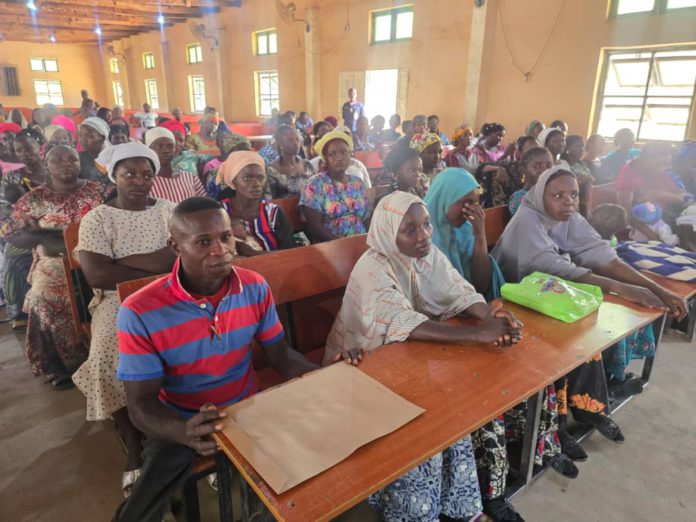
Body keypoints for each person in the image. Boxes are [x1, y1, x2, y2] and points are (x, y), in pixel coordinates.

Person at [111, 196, 317, 521]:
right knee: (139, 510)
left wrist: (328, 377)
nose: (220, 251)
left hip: (247, 407)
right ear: (176, 246)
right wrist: (185, 431)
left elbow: (280, 356)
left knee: (295, 492)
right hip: (181, 417)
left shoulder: (253, 286)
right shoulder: (139, 311)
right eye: (203, 242)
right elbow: (141, 405)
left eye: (225, 237)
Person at [324, 191, 523, 522]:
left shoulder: (425, 253)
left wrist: (488, 317)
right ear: (388, 232)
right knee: (427, 429)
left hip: (409, 359)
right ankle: (415, 512)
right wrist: (479, 334)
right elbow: (404, 322)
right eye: (410, 230)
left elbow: (458, 290)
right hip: (360, 368)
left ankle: (464, 505)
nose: (424, 235)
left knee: (460, 409)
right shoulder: (372, 267)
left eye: (427, 225)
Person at [493, 166, 687, 425]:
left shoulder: (568, 217)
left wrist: (658, 289)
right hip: (516, 301)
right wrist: (623, 288)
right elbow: (551, 268)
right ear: (541, 195)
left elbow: (602, 255)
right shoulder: (527, 220)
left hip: (551, 295)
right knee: (577, 339)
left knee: (610, 317)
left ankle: (605, 388)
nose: (568, 201)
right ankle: (562, 420)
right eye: (558, 195)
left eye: (573, 195)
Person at [73, 142, 177, 497]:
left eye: (146, 174)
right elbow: (98, 275)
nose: (138, 181)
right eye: (129, 173)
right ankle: (134, 449)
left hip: (170, 293)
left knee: (195, 341)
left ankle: (179, 424)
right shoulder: (98, 218)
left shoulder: (167, 210)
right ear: (114, 176)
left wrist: (120, 262)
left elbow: (175, 260)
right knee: (105, 354)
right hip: (117, 303)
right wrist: (156, 262)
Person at [423, 169, 525, 521]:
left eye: (476, 202)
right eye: (464, 202)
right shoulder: (422, 236)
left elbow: (480, 285)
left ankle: (495, 479)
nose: (471, 209)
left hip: (468, 321)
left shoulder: (464, 231)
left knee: (507, 371)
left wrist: (480, 235)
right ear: (443, 199)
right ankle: (480, 491)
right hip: (438, 332)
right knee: (469, 397)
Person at [7, 145, 106, 388]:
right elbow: (14, 235)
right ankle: (53, 360)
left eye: (72, 159)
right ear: (46, 164)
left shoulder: (98, 191)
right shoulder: (33, 199)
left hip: (97, 257)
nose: (66, 164)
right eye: (58, 160)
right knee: (43, 297)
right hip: (54, 263)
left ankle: (105, 351)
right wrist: (41, 236)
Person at [0, 129, 48, 330]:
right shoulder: (11, 177)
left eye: (28, 149)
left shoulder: (53, 169)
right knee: (13, 255)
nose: (24, 154)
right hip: (25, 228)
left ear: (39, 148)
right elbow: (4, 208)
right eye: (19, 150)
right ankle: (21, 313)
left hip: (55, 225)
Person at [215, 151, 294, 255]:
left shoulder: (273, 213)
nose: (256, 184)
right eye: (247, 178)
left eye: (260, 178)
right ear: (233, 181)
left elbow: (289, 253)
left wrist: (252, 253)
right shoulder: (218, 213)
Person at [301, 130, 371, 242]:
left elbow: (367, 218)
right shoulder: (315, 184)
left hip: (362, 242)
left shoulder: (357, 183)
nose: (339, 158)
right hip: (331, 245)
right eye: (333, 154)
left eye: (344, 152)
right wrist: (341, 245)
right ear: (325, 159)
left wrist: (369, 241)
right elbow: (315, 227)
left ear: (350, 155)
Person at [616, 142, 688, 241]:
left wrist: (659, 194)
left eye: (667, 165)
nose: (664, 168)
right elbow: (625, 213)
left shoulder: (660, 171)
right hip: (642, 222)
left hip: (665, 215)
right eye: (660, 164)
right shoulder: (630, 174)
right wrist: (651, 235)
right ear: (646, 159)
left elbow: (680, 197)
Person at [145, 128, 206, 203]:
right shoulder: (145, 182)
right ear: (149, 149)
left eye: (170, 146)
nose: (165, 150)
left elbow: (204, 205)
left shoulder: (190, 178)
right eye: (159, 146)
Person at [267, 125, 315, 199]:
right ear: (280, 143)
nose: (296, 143)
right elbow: (269, 198)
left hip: (307, 205)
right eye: (290, 140)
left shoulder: (307, 165)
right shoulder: (272, 169)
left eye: (297, 139)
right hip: (282, 206)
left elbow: (315, 191)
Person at [203, 129, 252, 199]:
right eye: (240, 152)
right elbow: (213, 198)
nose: (245, 155)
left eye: (248, 152)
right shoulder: (216, 174)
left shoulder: (255, 171)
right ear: (229, 154)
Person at [508, 147, 553, 216]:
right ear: (523, 170)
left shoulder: (555, 195)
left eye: (549, 166)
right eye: (537, 166)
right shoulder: (520, 198)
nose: (545, 170)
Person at [561, 135, 594, 217]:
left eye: (583, 146)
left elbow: (591, 179)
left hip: (585, 198)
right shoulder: (563, 164)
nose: (581, 149)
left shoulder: (582, 163)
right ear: (568, 148)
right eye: (578, 146)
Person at [78, 117, 110, 186]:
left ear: (102, 138)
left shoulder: (113, 158)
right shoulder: (78, 159)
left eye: (89, 136)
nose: (83, 140)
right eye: (80, 135)